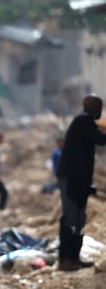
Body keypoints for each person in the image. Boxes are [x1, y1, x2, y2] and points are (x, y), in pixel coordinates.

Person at [56, 95, 106, 271]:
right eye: (100, 108)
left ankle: (74, 257)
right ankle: (64, 259)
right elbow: (100, 139)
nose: (101, 112)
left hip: (81, 180)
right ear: (93, 108)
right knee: (70, 218)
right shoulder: (83, 120)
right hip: (71, 179)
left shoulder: (85, 122)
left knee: (79, 220)